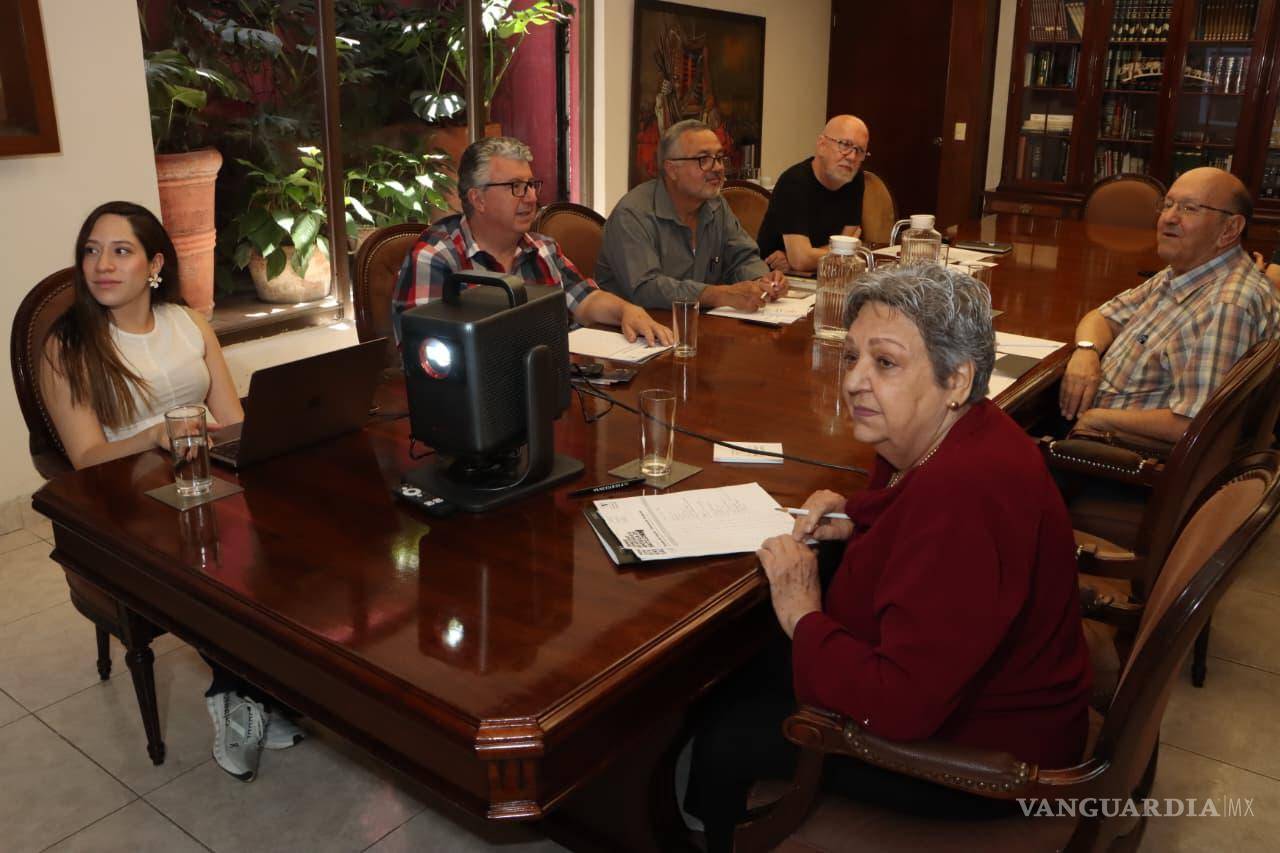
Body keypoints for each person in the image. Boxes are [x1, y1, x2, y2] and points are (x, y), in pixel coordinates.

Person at [683, 264, 1092, 852]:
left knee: (731, 723)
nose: (854, 382)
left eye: (886, 363)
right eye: (852, 358)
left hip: (978, 759)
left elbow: (901, 705)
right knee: (745, 663)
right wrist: (859, 514)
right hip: (978, 697)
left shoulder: (965, 496)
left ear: (957, 378)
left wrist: (803, 613)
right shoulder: (957, 434)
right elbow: (915, 510)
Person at [39, 201, 303, 782]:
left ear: (155, 263)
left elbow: (231, 423)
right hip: (126, 503)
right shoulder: (71, 347)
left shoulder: (189, 323)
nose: (101, 264)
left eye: (120, 250)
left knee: (284, 536)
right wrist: (157, 435)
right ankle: (236, 694)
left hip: (201, 482)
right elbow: (84, 458)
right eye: (91, 250)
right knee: (212, 565)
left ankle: (267, 683)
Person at [1060, 167, 1280, 444]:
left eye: (1189, 209)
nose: (1168, 218)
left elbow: (1195, 424)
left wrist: (1097, 419)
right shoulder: (1185, 271)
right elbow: (1103, 318)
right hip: (1096, 424)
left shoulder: (1228, 305)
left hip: (1121, 455)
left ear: (1230, 229)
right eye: (1167, 205)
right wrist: (1086, 352)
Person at [392, 136, 672, 346]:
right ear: (478, 199)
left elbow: (585, 301)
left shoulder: (543, 249)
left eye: (531, 185)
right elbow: (420, 350)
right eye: (516, 187)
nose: (531, 197)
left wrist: (627, 310)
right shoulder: (437, 256)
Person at [596, 119, 788, 312]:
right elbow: (645, 289)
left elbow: (743, 257)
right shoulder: (632, 215)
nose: (718, 168)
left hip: (699, 326)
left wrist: (763, 280)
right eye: (703, 159)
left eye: (719, 158)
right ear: (671, 169)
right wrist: (718, 295)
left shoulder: (716, 205)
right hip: (634, 332)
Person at [755, 115, 870, 273]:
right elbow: (802, 260)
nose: (852, 157)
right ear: (822, 145)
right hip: (777, 278)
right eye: (845, 145)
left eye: (860, 151)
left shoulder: (855, 179)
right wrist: (843, 251)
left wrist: (802, 257)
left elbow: (847, 247)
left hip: (824, 274)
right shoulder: (794, 182)